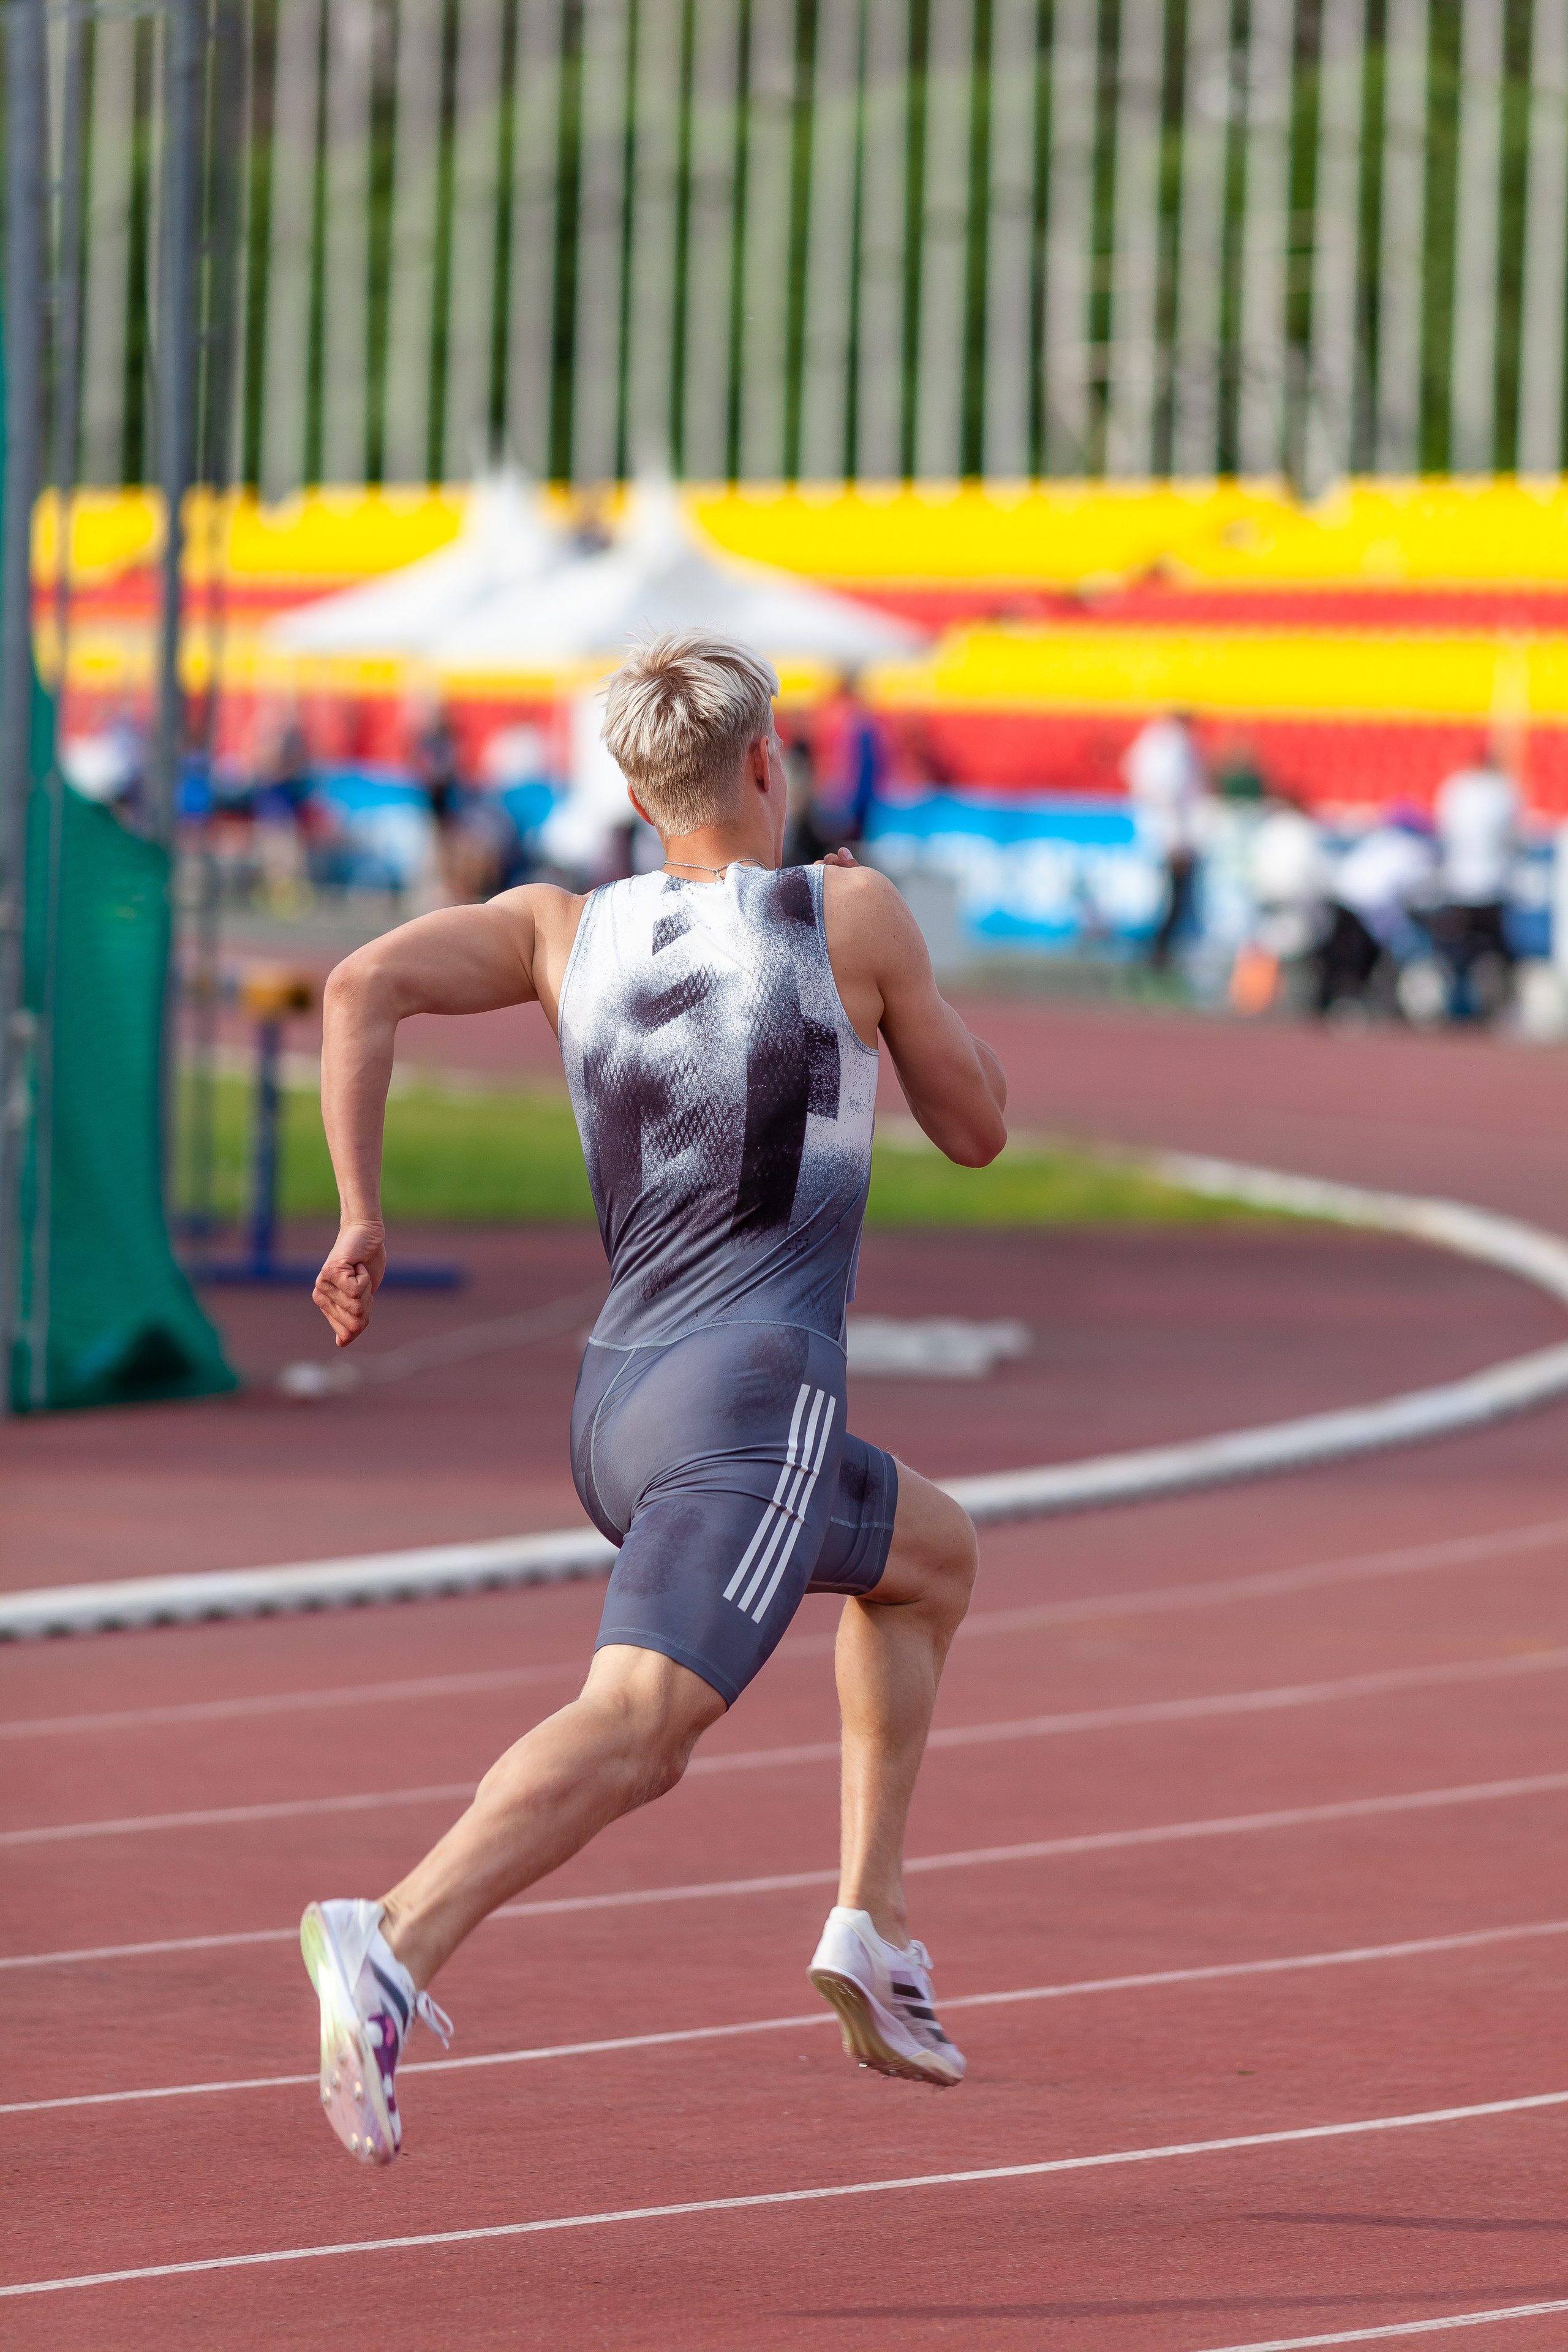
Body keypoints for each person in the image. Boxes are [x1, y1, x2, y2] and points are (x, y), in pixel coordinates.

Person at [301, 630, 1008, 2166]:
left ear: (631, 787)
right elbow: (976, 1129)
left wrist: (360, 1211)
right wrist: (912, 1007)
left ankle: (871, 1926)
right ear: (767, 761)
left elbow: (360, 984)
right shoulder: (850, 909)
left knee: (929, 1559)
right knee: (640, 1726)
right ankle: (393, 1934)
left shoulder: (561, 929)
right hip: (750, 1399)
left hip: (619, 1402)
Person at [1431, 740, 1521, 1017]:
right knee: (1498, 953)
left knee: (1459, 953)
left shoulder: (1457, 787)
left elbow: (1443, 831)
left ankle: (1458, 1008)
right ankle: (1500, 1009)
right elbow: (1513, 837)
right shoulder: (1502, 790)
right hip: (1492, 884)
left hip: (1460, 884)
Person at [1122, 710, 1209, 968]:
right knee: (1168, 901)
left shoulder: (1154, 740)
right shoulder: (1173, 745)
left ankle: (1157, 956)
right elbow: (1172, 794)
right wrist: (1176, 838)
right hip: (1169, 837)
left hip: (1160, 833)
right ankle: (1156, 958)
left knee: (1164, 900)